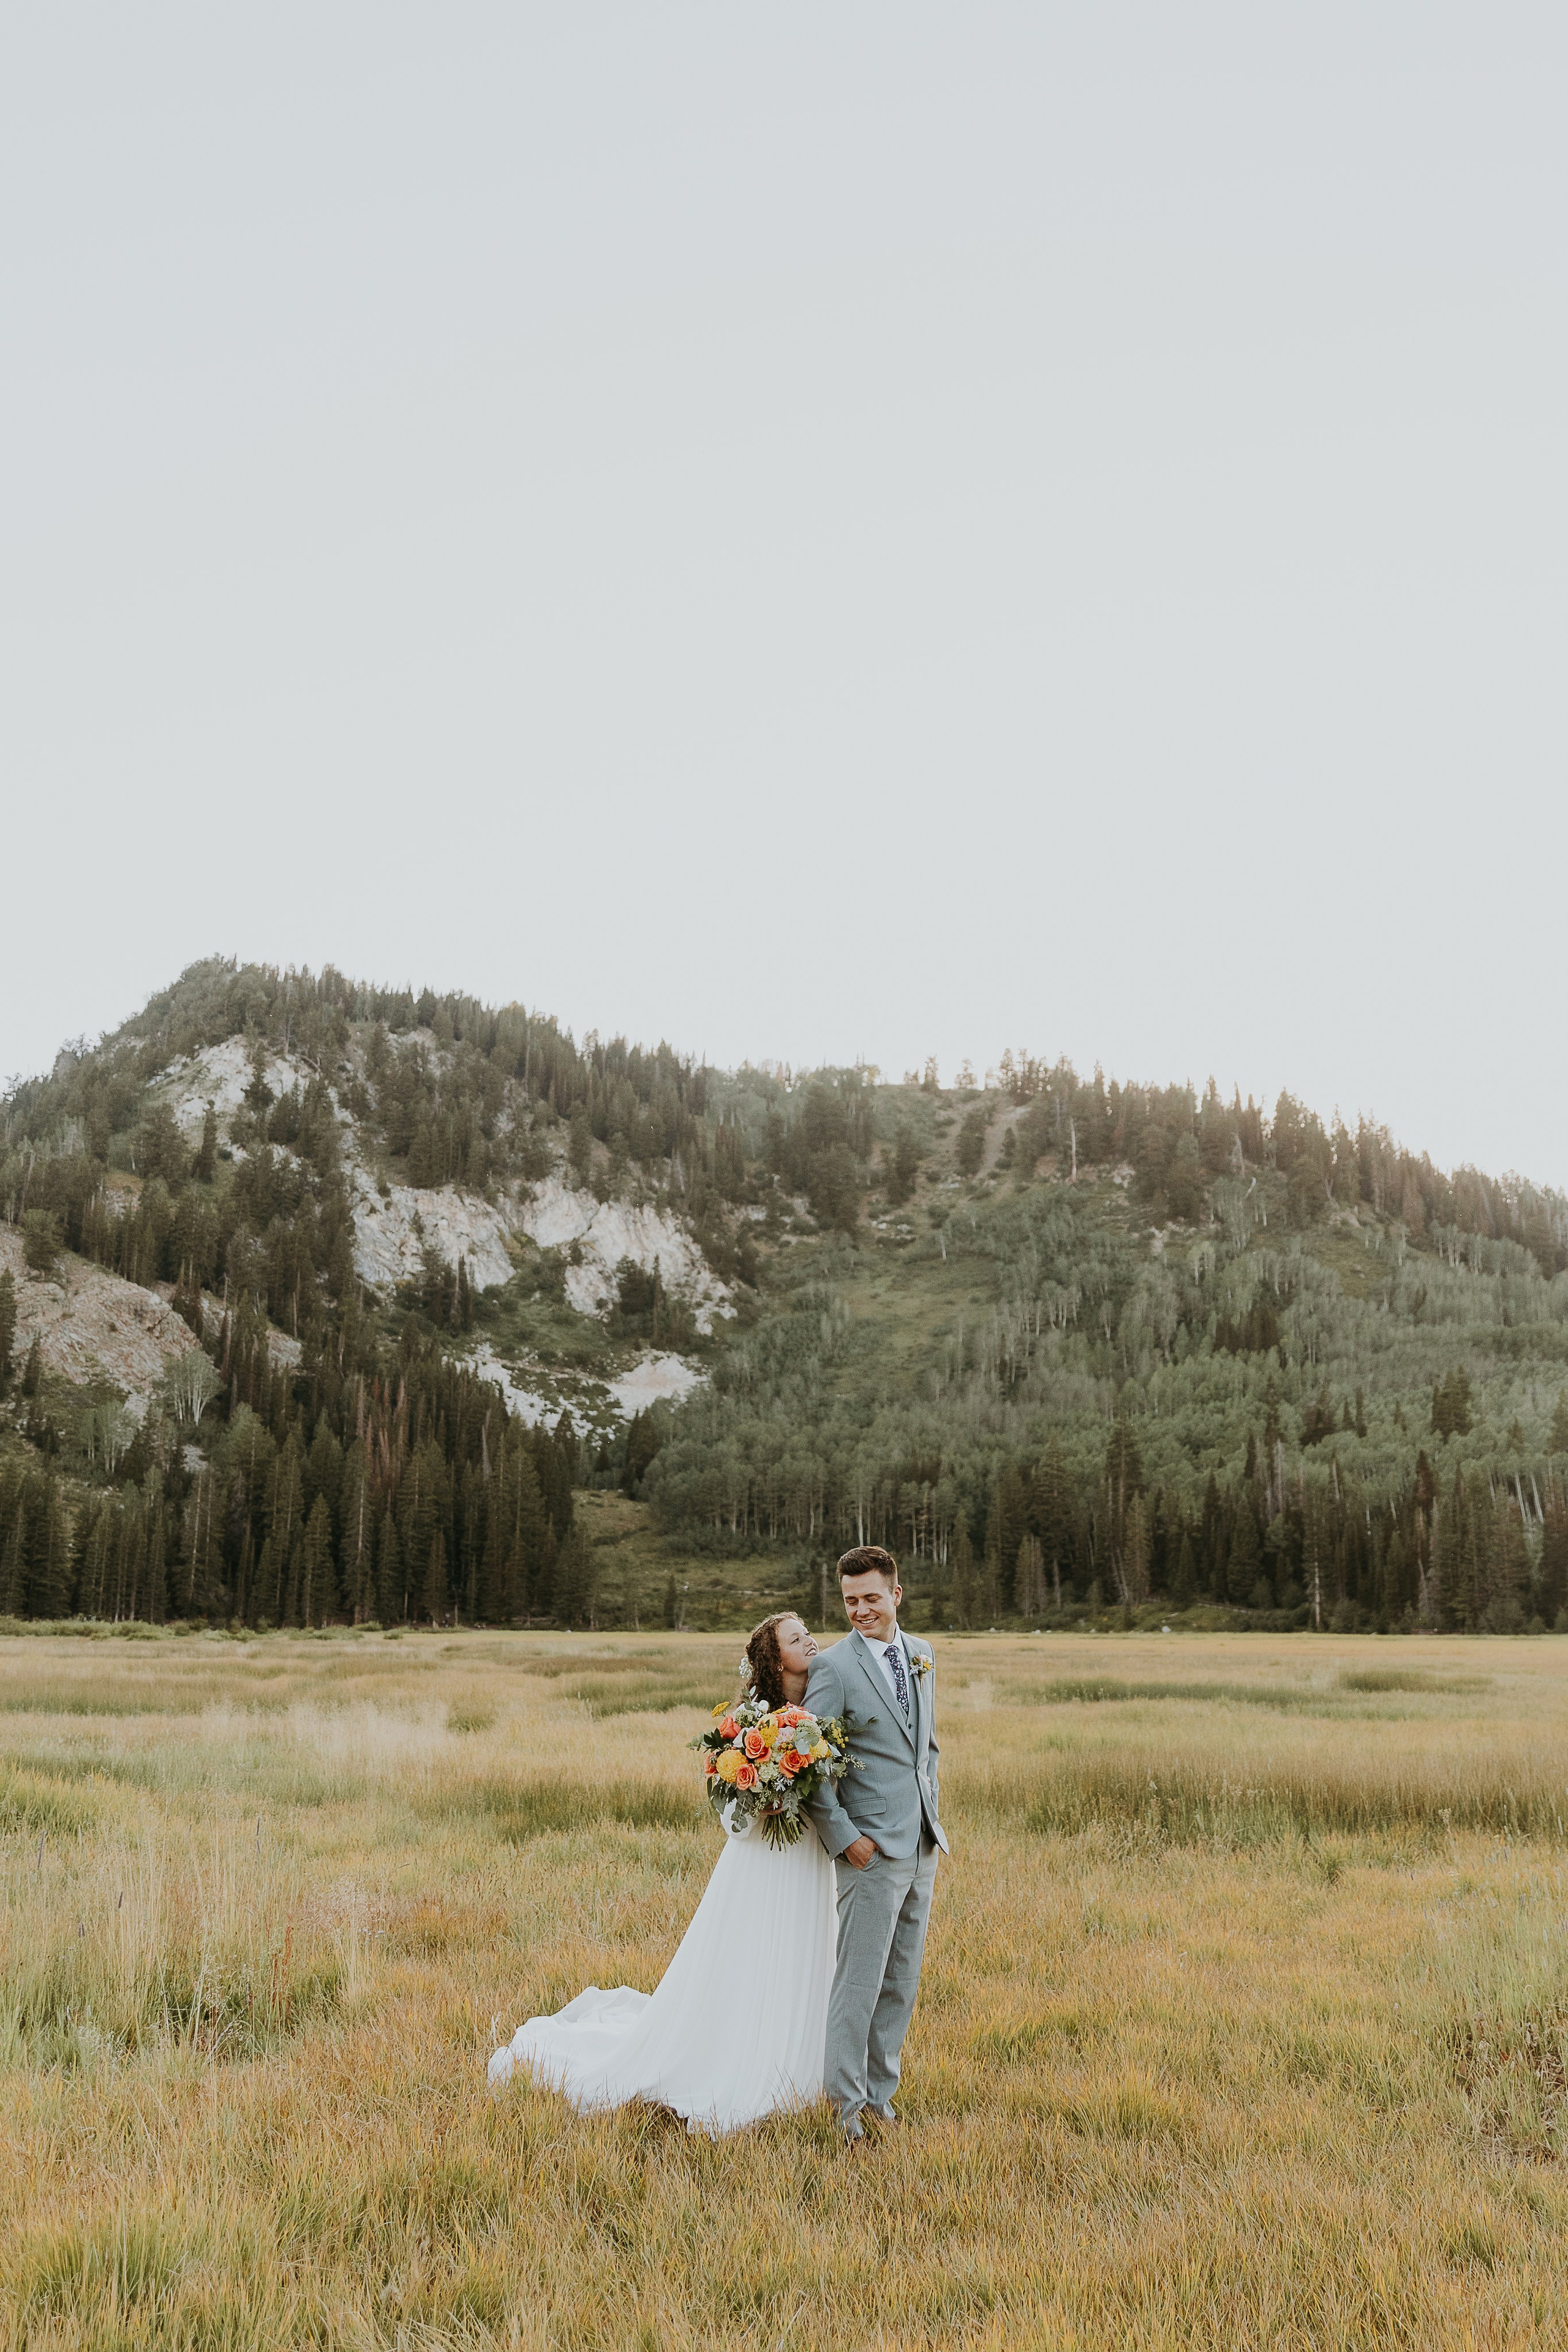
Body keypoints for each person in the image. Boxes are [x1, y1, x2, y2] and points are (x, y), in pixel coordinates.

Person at [487, 1612, 835, 2135]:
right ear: (774, 1657)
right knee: (755, 1957)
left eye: (807, 1632)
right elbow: (729, 1813)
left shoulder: (824, 1707)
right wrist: (762, 1794)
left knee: (806, 1950)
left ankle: (810, 2064)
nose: (809, 1640)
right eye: (795, 1637)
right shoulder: (747, 1722)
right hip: (762, 1862)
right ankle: (749, 2058)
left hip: (810, 1855)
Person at [802, 1544, 946, 2145]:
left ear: (896, 1594)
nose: (860, 1610)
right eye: (849, 1601)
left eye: (870, 1598)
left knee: (901, 1983)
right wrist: (846, 1841)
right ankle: (843, 2114)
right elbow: (812, 1764)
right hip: (869, 1852)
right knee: (858, 1985)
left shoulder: (922, 1654)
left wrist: (930, 1820)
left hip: (920, 1847)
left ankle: (881, 2101)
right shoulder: (832, 1669)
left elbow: (925, 1748)